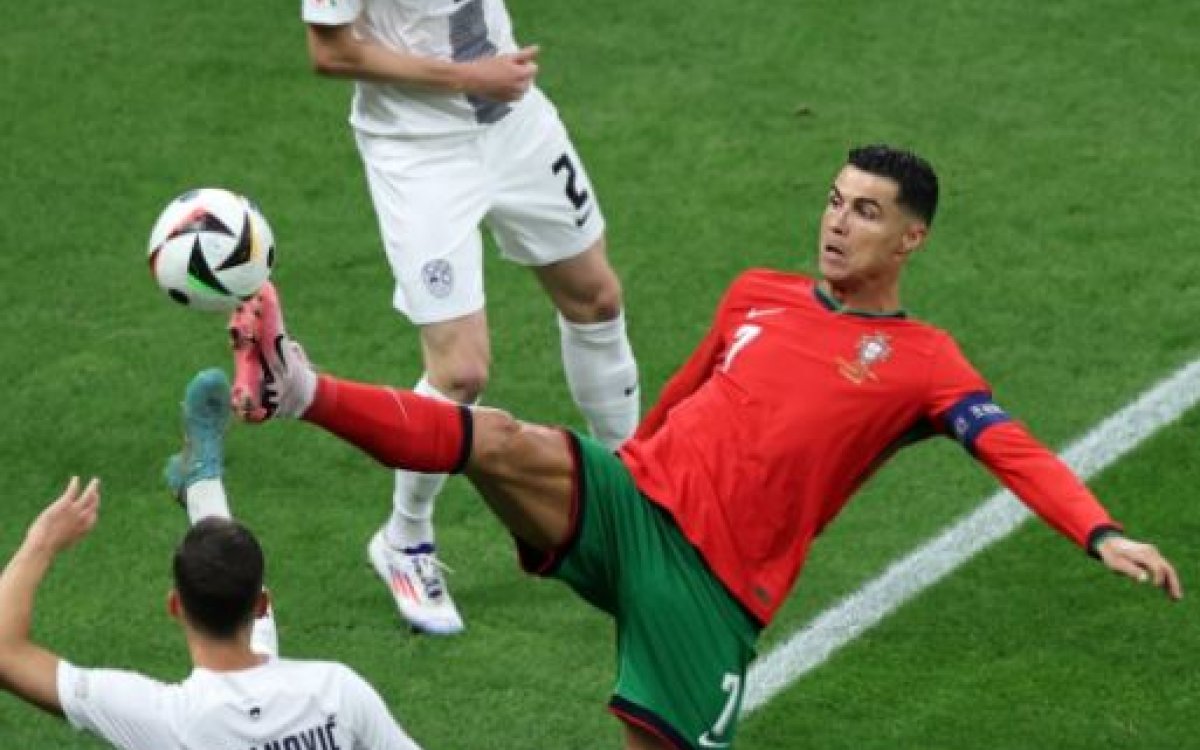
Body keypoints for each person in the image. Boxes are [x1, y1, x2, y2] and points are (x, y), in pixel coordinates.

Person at [226, 145, 1182, 750]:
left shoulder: (926, 364)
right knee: (503, 439)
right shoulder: (756, 293)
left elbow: (1011, 449)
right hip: (632, 507)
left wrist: (1098, 532)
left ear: (912, 238)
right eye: (835, 200)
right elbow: (680, 402)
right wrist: (620, 471)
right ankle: (295, 385)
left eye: (866, 211)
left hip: (713, 591)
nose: (837, 221)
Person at [258, 0, 641, 635]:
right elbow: (331, 51)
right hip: (420, 154)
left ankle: (632, 494)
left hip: (515, 124)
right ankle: (405, 540)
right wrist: (471, 76)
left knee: (595, 297)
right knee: (460, 370)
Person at [0, 370, 424, 750]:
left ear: (175, 606)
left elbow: (5, 652)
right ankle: (202, 480)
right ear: (262, 605)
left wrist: (41, 542)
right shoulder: (336, 692)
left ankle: (202, 479)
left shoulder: (165, 721)